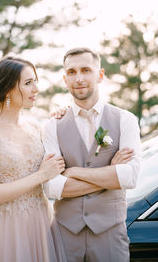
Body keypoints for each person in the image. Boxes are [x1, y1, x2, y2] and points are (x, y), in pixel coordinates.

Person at [0, 56, 67, 262]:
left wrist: (64, 119)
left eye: (35, 81)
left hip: (40, 224)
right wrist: (40, 176)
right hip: (5, 229)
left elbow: (61, 164)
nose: (36, 88)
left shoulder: (37, 128)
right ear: (8, 88)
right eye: (28, 83)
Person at [42, 47, 141, 262]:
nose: (79, 78)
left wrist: (74, 172)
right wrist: (110, 175)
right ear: (65, 79)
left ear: (100, 75)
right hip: (64, 234)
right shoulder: (52, 126)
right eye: (72, 72)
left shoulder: (125, 119)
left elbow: (129, 177)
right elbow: (52, 186)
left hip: (110, 234)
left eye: (86, 70)